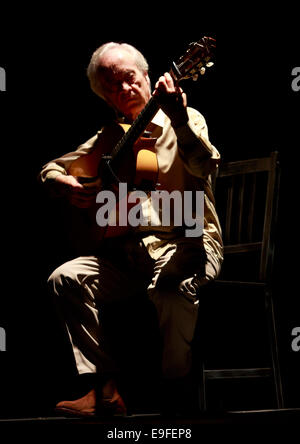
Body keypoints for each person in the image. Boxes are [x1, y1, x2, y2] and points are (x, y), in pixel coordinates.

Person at [39, 41, 223, 417]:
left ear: (147, 76)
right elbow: (52, 168)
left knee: (171, 288)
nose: (123, 89)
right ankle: (105, 390)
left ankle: (177, 396)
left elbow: (205, 166)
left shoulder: (187, 117)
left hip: (186, 243)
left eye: (128, 78)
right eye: (112, 86)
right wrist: (62, 182)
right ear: (106, 98)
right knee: (65, 278)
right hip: (128, 254)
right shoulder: (109, 138)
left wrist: (180, 120)